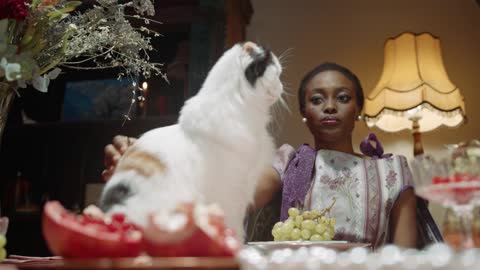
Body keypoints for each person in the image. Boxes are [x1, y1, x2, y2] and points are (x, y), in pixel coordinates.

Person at [102, 62, 441, 249]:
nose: (330, 106)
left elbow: (405, 256)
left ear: (358, 110)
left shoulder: (393, 171)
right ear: (304, 113)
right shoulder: (290, 161)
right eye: (317, 99)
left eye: (342, 97)